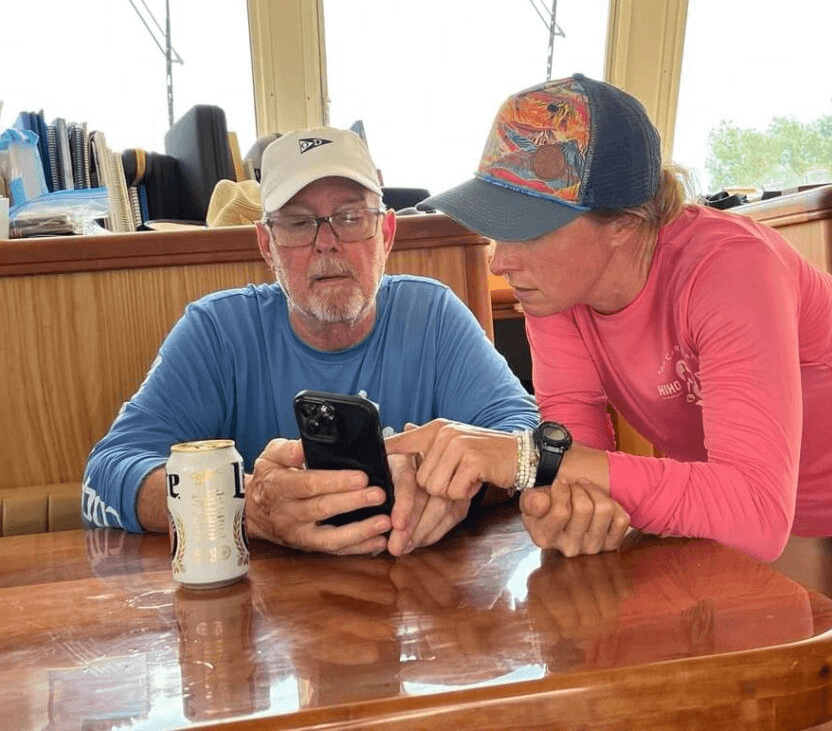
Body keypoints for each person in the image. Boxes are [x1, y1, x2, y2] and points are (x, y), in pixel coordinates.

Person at [386, 74, 832, 730]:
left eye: (527, 231)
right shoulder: (555, 295)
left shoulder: (728, 268)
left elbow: (749, 512)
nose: (501, 260)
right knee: (785, 708)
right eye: (497, 227)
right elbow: (579, 469)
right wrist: (565, 508)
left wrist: (530, 462)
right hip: (787, 491)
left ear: (625, 224)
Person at [82, 126, 538, 557]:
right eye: (299, 223)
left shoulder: (433, 316)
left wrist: (463, 489)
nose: (326, 243)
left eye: (351, 217)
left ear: (387, 233)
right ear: (267, 245)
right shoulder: (217, 331)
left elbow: (530, 441)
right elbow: (105, 475)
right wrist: (244, 507)